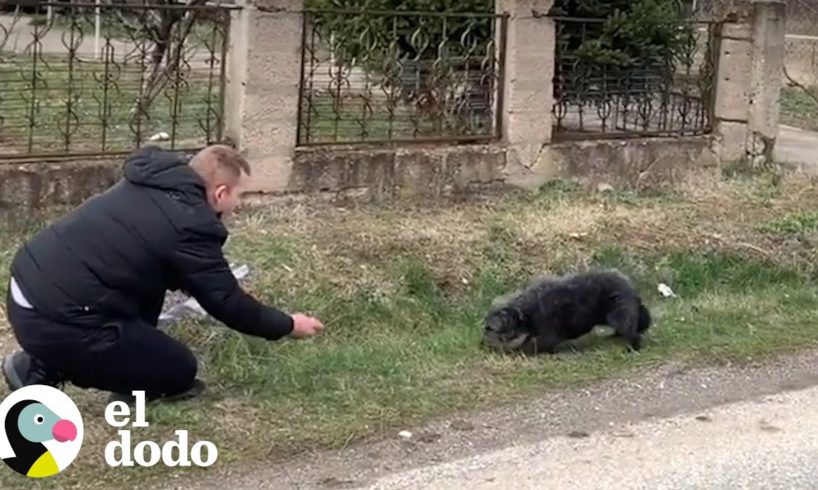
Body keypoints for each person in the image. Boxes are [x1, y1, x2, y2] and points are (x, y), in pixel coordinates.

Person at [2, 144, 324, 404]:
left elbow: (144, 257)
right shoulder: (191, 224)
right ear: (221, 193)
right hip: (58, 318)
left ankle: (44, 363)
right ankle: (44, 368)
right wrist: (288, 324)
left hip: (28, 287)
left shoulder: (151, 181)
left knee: (150, 289)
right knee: (179, 370)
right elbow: (228, 303)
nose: (237, 206)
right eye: (240, 196)